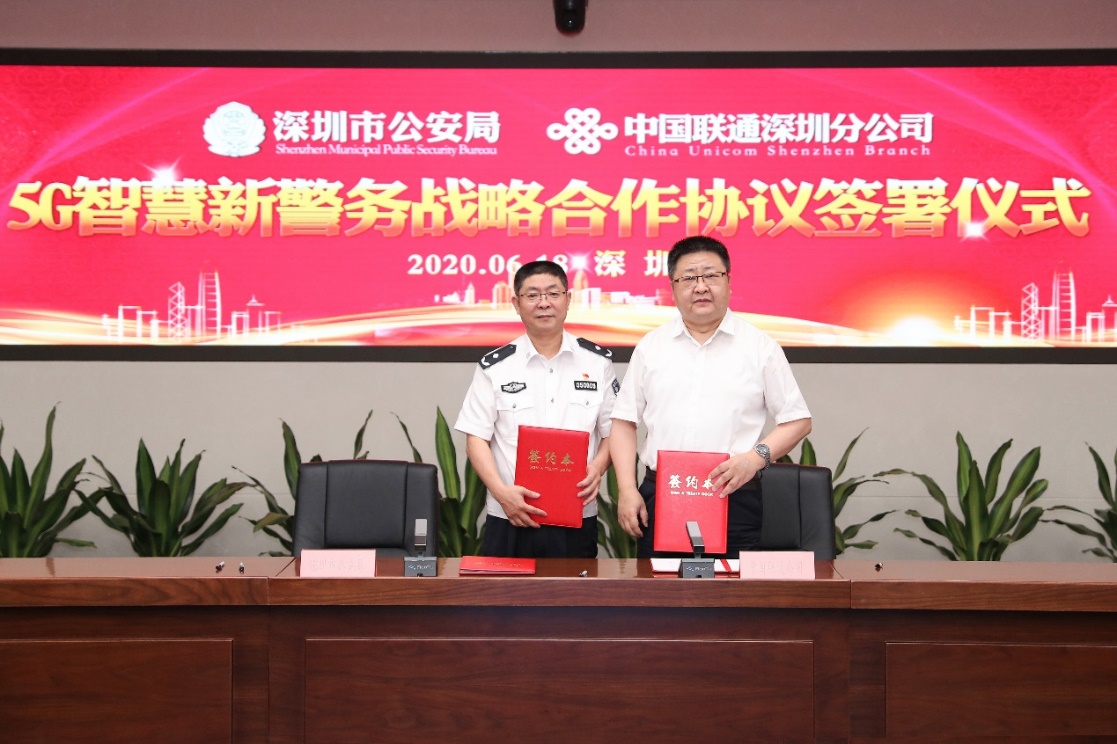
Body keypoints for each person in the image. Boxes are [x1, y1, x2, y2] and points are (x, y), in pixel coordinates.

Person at [610, 235, 812, 558]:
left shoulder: (759, 347)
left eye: (711, 276)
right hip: (663, 495)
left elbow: (798, 421)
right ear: (673, 287)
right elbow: (623, 422)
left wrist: (754, 458)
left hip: (733, 495)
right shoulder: (651, 347)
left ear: (728, 281)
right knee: (658, 588)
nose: (701, 287)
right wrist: (626, 489)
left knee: (730, 589)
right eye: (689, 278)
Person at [455, 260, 617, 558]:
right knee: (504, 590)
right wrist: (501, 493)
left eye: (553, 293)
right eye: (532, 295)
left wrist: (597, 467)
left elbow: (613, 432)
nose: (544, 303)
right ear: (516, 304)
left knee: (575, 590)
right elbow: (475, 438)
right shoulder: (496, 367)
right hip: (509, 514)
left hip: (577, 513)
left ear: (568, 299)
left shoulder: (597, 363)